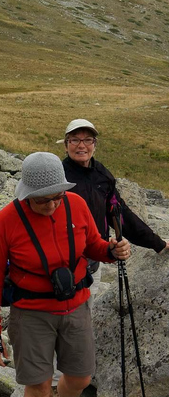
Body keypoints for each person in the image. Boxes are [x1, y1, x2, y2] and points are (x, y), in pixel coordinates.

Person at [0, 152, 131, 397]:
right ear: (27, 195)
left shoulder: (76, 205)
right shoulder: (6, 222)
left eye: (58, 197)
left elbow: (93, 245)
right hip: (31, 313)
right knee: (37, 384)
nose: (51, 205)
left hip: (75, 304)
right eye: (42, 200)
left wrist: (111, 250)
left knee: (81, 375)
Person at [60, 119, 168, 286]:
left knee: (88, 309)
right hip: (61, 262)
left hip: (94, 260)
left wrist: (157, 243)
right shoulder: (58, 176)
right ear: (66, 145)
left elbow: (120, 214)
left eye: (88, 140)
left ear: (94, 145)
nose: (81, 145)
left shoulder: (102, 175)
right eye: (75, 140)